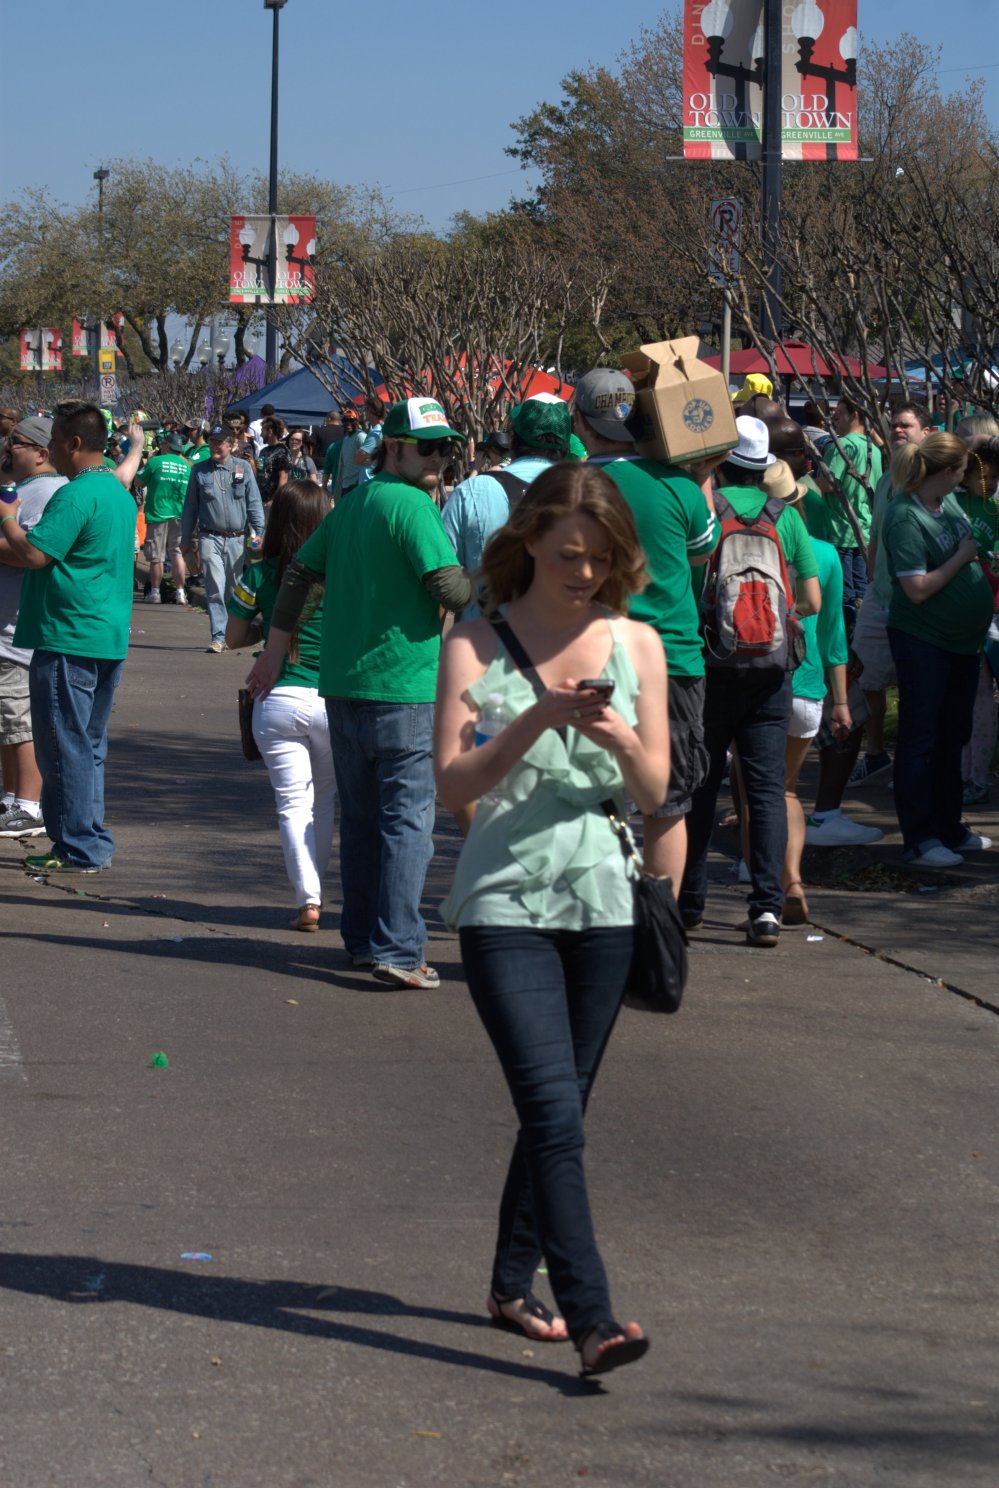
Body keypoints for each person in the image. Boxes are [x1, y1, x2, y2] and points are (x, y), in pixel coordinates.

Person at [434, 461, 667, 1377]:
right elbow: (453, 788)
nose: (583, 572)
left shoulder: (635, 642)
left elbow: (655, 791)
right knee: (552, 1110)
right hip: (503, 899)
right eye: (568, 553)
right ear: (527, 539)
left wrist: (615, 737)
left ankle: (505, 1282)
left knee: (559, 1112)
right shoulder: (476, 640)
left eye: (600, 558)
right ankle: (594, 1314)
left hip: (605, 900)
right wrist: (534, 718)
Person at [245, 397, 472, 987]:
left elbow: (298, 571)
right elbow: (448, 587)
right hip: (404, 687)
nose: (441, 458)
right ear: (392, 447)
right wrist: (494, 580)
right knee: (406, 824)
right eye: (430, 447)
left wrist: (274, 649)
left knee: (367, 820)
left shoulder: (352, 505)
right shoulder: (414, 507)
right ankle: (398, 949)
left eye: (446, 447)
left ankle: (365, 940)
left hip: (344, 686)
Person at [571, 366, 719, 889]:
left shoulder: (569, 488)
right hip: (671, 664)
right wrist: (700, 476)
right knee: (667, 805)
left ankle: (596, 932)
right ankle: (658, 937)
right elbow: (703, 553)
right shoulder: (677, 486)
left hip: (589, 664)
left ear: (580, 422)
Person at [679, 417, 820, 948]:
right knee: (765, 791)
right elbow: (812, 600)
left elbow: (690, 586)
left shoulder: (705, 510)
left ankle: (689, 904)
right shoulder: (786, 518)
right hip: (770, 672)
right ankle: (766, 908)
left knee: (700, 787)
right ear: (765, 469)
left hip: (711, 668)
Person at [0, 402, 140, 873]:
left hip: (68, 637)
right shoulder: (118, 492)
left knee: (63, 746)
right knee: (87, 745)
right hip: (103, 635)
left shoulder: (75, 495)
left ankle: (78, 844)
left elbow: (35, 555)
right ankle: (88, 837)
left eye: (55, 441)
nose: (51, 450)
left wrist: (7, 517)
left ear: (74, 443)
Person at [225, 481, 336, 930]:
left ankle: (307, 899)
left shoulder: (259, 574)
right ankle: (316, 893)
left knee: (292, 803)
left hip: (276, 699)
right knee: (325, 801)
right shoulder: (341, 575)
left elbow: (232, 637)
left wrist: (269, 636)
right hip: (330, 700)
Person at [881, 433, 995, 867]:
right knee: (921, 739)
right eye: (963, 470)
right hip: (924, 642)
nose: (968, 478)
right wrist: (962, 557)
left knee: (953, 735)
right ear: (946, 472)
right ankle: (921, 837)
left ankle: (950, 826)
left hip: (961, 643)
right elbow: (916, 589)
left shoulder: (945, 503)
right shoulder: (905, 517)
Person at [765, 461, 852, 923]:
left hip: (759, 678)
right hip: (810, 685)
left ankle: (761, 879)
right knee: (787, 790)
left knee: (753, 790)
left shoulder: (744, 538)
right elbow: (834, 635)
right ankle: (793, 878)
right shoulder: (826, 554)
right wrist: (841, 702)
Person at [847, 403, 932, 789]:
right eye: (894, 425)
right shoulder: (884, 480)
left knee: (918, 686)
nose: (898, 430)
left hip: (920, 601)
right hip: (880, 598)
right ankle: (876, 753)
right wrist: (871, 580)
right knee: (865, 678)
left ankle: (915, 765)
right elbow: (876, 537)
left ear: (926, 433)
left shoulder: (932, 481)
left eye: (907, 425)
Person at [0, 417, 66, 839]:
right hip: (6, 632)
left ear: (42, 452)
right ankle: (12, 797)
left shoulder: (50, 493)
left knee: (19, 721)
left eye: (16, 443)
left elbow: (31, 553)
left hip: (17, 634)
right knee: (6, 721)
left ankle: (27, 805)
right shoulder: (23, 488)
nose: (8, 448)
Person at [442, 398, 571, 609]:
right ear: (565, 445)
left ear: (513, 441)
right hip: (563, 637)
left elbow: (443, 573)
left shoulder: (472, 491)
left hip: (482, 635)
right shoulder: (587, 493)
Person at [180, 424, 264, 654]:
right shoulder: (199, 470)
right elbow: (190, 508)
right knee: (214, 585)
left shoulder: (243, 468)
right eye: (213, 442)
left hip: (238, 539)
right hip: (210, 537)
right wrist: (186, 539)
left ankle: (232, 634)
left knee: (234, 588)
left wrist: (261, 532)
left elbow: (254, 502)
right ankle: (218, 636)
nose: (216, 446)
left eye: (220, 442)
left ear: (231, 444)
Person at [953, 437, 999, 805]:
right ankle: (968, 774)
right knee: (972, 696)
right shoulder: (952, 504)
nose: (991, 483)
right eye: (985, 475)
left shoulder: (995, 509)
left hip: (992, 614)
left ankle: (978, 773)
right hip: (963, 613)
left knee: (980, 698)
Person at [817, 397, 883, 629]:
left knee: (842, 596)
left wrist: (809, 481)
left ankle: (847, 643)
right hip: (865, 531)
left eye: (839, 413)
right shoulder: (872, 448)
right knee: (863, 591)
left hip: (841, 530)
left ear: (854, 415)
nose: (834, 417)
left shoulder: (841, 445)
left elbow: (827, 483)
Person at [137, 432, 190, 605]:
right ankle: (181, 592)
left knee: (156, 556)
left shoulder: (156, 462)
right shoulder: (187, 466)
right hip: (179, 514)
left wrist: (149, 461)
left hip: (158, 514)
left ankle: (155, 592)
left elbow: (138, 481)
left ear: (167, 445)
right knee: (177, 553)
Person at [331, 405, 366, 502]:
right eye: (345, 421)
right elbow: (343, 463)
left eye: (351, 420)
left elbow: (369, 459)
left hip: (356, 483)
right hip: (345, 483)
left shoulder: (361, 437)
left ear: (357, 422)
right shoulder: (346, 439)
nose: (348, 423)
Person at [257, 418, 291, 506]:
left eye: (262, 431)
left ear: (270, 431)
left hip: (274, 502)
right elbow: (260, 472)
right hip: (260, 500)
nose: (260, 434)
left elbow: (283, 477)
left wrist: (275, 500)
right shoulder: (263, 451)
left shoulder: (282, 451)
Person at [353, 394, 385, 482]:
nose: (364, 412)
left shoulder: (376, 432)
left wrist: (367, 458)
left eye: (365, 409)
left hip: (369, 481)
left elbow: (357, 458)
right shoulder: (380, 428)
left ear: (372, 410)